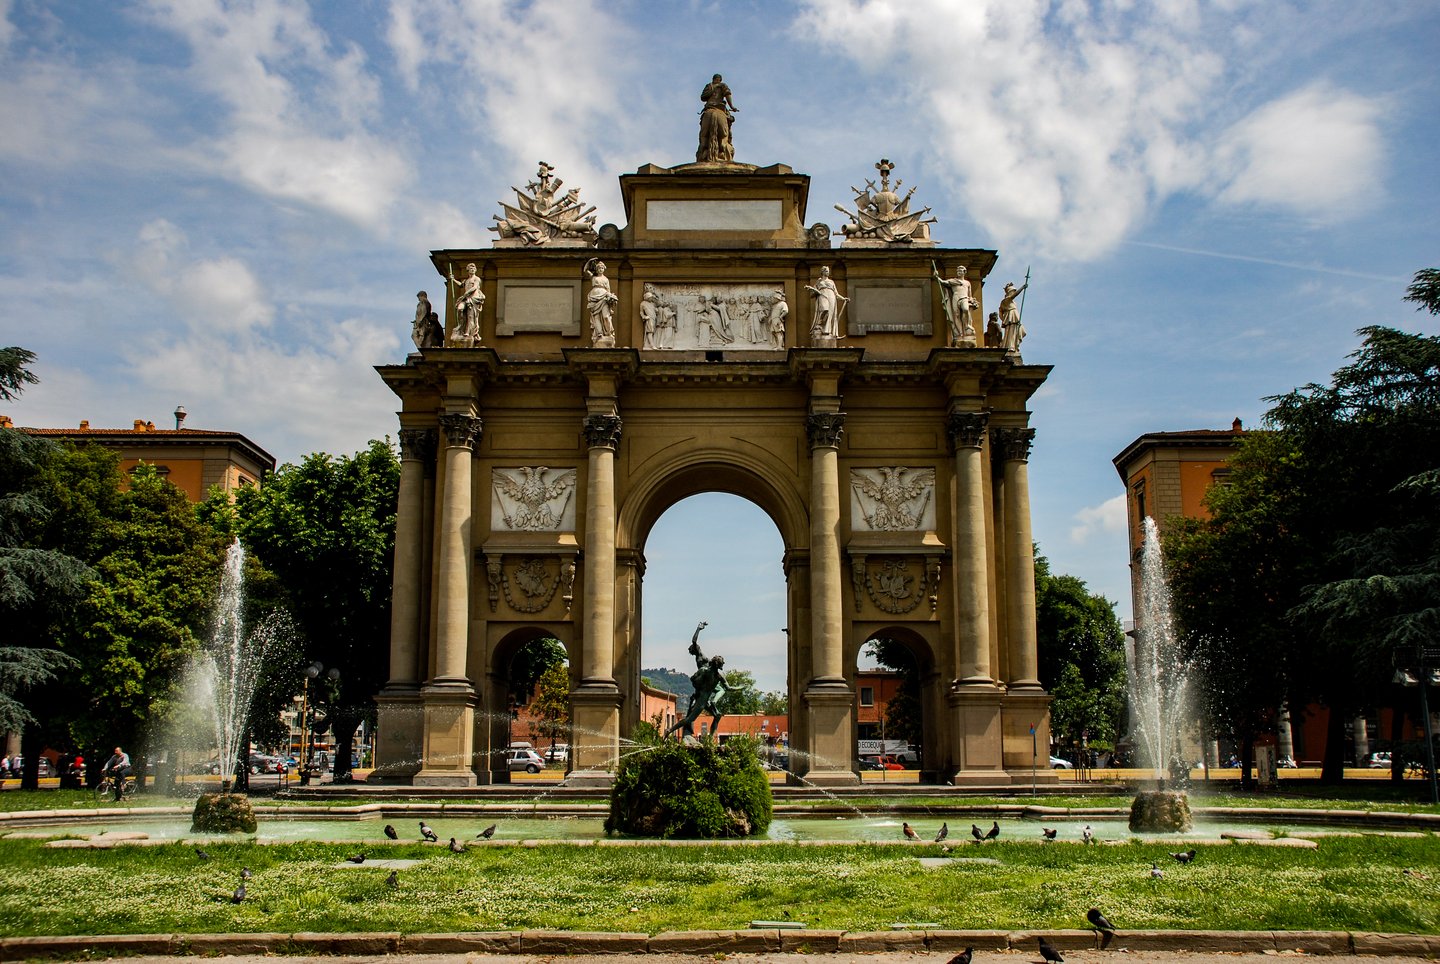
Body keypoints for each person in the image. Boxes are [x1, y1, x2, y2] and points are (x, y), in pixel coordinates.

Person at [664, 622, 728, 740]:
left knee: (717, 712)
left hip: (707, 682)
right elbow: (694, 642)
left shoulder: (701, 656)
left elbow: (694, 641)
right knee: (692, 716)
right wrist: (698, 629)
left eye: (691, 650)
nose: (691, 651)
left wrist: (698, 629)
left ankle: (709, 738)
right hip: (703, 684)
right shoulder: (699, 658)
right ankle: (674, 730)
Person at [932, 263, 977, 346]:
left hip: (964, 298)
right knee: (956, 315)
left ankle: (966, 326)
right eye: (958, 271)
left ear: (964, 272)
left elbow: (970, 295)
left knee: (965, 310)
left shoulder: (967, 283)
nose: (959, 272)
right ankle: (959, 333)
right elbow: (942, 282)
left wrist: (972, 301)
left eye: (960, 270)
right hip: (955, 298)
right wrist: (936, 277)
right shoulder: (953, 281)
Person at [696, 74, 738, 163]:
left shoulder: (709, 86)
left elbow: (703, 97)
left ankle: (703, 153)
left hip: (709, 109)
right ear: (719, 79)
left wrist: (711, 92)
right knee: (727, 132)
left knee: (704, 137)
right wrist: (732, 106)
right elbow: (728, 95)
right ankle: (724, 152)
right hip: (720, 108)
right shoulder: (722, 85)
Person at [806, 266, 847, 341]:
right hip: (822, 295)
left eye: (828, 271)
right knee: (825, 309)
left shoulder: (831, 282)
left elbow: (836, 294)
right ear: (822, 272)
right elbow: (812, 295)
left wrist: (843, 298)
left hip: (831, 296)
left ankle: (827, 331)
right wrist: (812, 289)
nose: (828, 273)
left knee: (831, 314)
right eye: (826, 271)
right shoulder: (819, 281)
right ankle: (819, 324)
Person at [449, 263, 485, 346]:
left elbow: (475, 287)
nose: (472, 269)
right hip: (466, 298)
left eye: (474, 268)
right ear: (468, 270)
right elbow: (461, 285)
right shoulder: (466, 280)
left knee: (470, 316)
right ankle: (460, 326)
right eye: (470, 268)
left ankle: (468, 333)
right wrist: (453, 279)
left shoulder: (476, 279)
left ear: (475, 270)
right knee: (460, 309)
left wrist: (465, 294)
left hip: (474, 299)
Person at [583, 259, 618, 345]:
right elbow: (585, 270)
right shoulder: (594, 277)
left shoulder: (606, 279)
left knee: (606, 316)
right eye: (599, 268)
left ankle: (609, 333)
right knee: (596, 317)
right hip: (594, 296)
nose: (600, 269)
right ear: (597, 269)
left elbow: (608, 290)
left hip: (604, 296)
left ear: (604, 269)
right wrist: (589, 262)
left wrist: (611, 298)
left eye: (602, 268)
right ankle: (599, 333)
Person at [999, 280, 1028, 355]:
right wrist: (1022, 287)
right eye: (1013, 291)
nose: (1013, 292)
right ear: (1009, 292)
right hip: (1011, 317)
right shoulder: (1006, 300)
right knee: (1012, 331)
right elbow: (1014, 295)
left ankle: (1013, 345)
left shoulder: (1012, 302)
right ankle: (1011, 346)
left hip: (1014, 316)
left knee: (1020, 331)